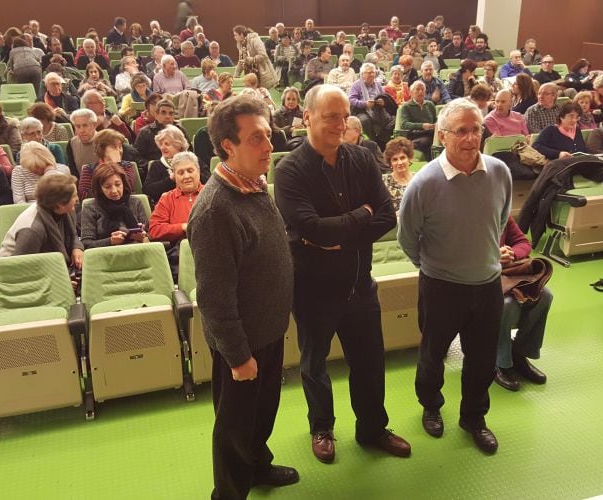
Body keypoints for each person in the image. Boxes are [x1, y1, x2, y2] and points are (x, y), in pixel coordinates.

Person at [274, 85, 411, 464]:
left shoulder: (363, 159)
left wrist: (342, 233)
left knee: (370, 362)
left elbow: (386, 214)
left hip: (359, 284)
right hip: (313, 291)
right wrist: (360, 216)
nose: (340, 123)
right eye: (329, 116)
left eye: (343, 115)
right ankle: (322, 427)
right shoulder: (288, 170)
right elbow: (311, 228)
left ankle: (372, 428)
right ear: (307, 118)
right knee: (314, 365)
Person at [187, 95, 298, 499]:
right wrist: (238, 357)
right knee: (234, 426)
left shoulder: (254, 185)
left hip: (267, 330)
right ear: (228, 146)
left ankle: (257, 466)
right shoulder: (215, 210)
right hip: (243, 343)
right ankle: (230, 492)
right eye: (257, 138)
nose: (269, 146)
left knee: (261, 413)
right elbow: (215, 297)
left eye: (269, 135)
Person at [397, 99, 511, 453]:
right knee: (433, 355)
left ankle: (474, 417)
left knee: (481, 359)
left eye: (476, 129)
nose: (470, 138)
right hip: (441, 287)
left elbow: (501, 220)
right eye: (461, 131)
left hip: (487, 284)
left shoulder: (499, 172)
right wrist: (434, 267)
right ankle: (431, 405)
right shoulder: (425, 182)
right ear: (442, 136)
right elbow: (407, 237)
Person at [494, 216, 551, 392]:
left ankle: (519, 353)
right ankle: (499, 362)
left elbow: (523, 242)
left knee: (545, 296)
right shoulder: (466, 219)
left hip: (505, 274)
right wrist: (494, 256)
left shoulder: (501, 214)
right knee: (507, 304)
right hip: (479, 277)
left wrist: (512, 254)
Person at [0, 172, 82, 276]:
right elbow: (20, 271)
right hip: (13, 277)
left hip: (49, 270)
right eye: (74, 195)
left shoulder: (66, 210)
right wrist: (60, 281)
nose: (77, 199)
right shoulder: (32, 231)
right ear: (60, 204)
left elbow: (74, 235)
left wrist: (77, 248)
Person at [81, 162, 148, 249]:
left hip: (136, 250)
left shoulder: (135, 202)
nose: (114, 191)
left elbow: (149, 233)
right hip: (105, 255)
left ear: (123, 183)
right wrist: (110, 241)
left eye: (118, 184)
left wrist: (142, 236)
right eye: (107, 187)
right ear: (100, 189)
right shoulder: (90, 207)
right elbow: (86, 243)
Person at [148, 151, 202, 246]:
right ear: (174, 176)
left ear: (198, 171)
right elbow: (154, 230)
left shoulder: (212, 194)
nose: (186, 176)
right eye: (180, 173)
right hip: (178, 253)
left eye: (190, 171)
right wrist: (182, 227)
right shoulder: (166, 199)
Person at [77, 129, 137, 199]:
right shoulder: (89, 169)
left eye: (120, 146)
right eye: (114, 147)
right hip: (98, 207)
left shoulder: (127, 166)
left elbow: (127, 189)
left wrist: (116, 165)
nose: (119, 150)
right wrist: (107, 193)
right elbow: (84, 194)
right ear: (102, 149)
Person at [348, 63, 395, 150]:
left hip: (378, 110)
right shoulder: (356, 85)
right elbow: (351, 100)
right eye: (369, 73)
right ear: (362, 74)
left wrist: (382, 102)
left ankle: (381, 140)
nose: (372, 75)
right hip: (362, 110)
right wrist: (365, 104)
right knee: (365, 120)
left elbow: (383, 97)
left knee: (392, 120)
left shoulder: (378, 84)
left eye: (373, 72)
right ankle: (374, 142)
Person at [144, 124, 189, 204]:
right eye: (161, 144)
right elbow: (148, 190)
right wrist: (170, 180)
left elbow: (206, 180)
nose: (163, 147)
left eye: (167, 144)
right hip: (166, 205)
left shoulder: (191, 160)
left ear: (178, 145)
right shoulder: (157, 165)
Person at [134, 99, 184, 168]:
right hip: (155, 171)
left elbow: (188, 152)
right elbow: (137, 157)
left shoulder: (180, 131)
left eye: (171, 113)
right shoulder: (145, 133)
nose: (168, 116)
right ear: (156, 115)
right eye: (163, 113)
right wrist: (154, 166)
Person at [233, 25, 279, 89]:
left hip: (261, 73)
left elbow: (263, 55)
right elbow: (241, 61)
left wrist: (251, 60)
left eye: (235, 35)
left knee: (261, 94)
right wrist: (236, 76)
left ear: (241, 34)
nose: (234, 37)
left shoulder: (255, 40)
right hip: (250, 73)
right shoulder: (241, 44)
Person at [400, 80, 437, 160]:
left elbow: (435, 120)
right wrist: (422, 126)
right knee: (426, 141)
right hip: (416, 134)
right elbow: (404, 124)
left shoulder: (430, 104)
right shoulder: (406, 106)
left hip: (431, 133)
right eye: (417, 89)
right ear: (411, 92)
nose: (420, 92)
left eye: (422, 89)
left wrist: (435, 125)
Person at [381, 137, 414, 213]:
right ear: (390, 163)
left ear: (409, 159)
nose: (400, 163)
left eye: (402, 158)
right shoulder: (383, 181)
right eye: (395, 159)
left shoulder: (418, 179)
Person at [66, 108, 99, 178]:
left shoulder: (106, 140)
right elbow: (73, 172)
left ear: (94, 125)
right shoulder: (72, 143)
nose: (81, 130)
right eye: (78, 126)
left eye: (85, 125)